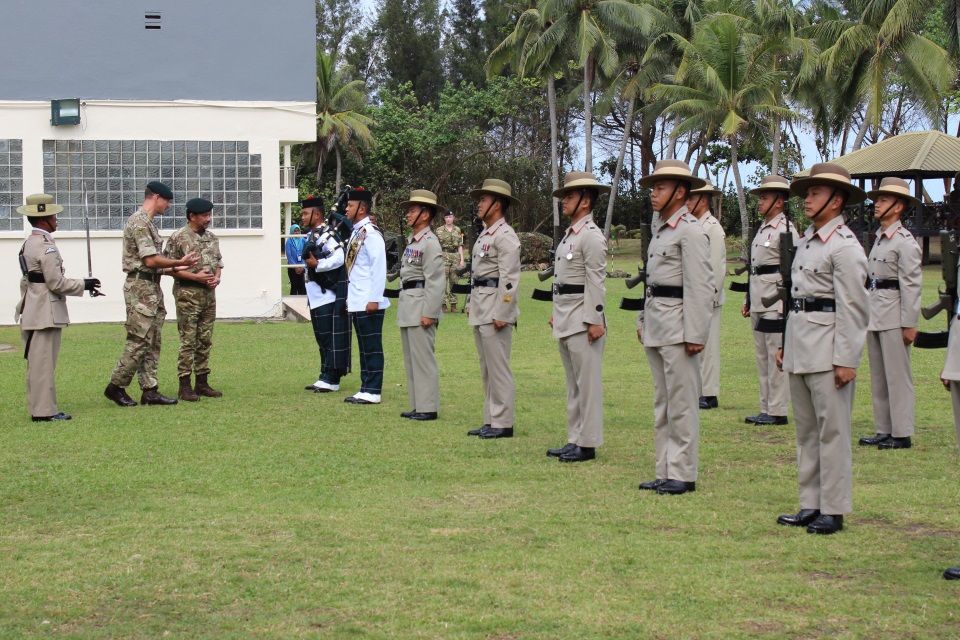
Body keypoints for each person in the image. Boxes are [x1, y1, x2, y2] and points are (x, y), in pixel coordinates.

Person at [776, 163, 869, 535]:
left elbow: (854, 308)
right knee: (807, 432)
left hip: (829, 350)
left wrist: (846, 360)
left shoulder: (845, 247)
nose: (808, 199)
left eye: (815, 193)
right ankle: (810, 502)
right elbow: (795, 299)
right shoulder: (808, 241)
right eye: (808, 193)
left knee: (833, 431)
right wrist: (785, 344)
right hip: (801, 344)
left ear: (837, 199)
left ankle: (834, 508)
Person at [636, 160, 713, 494]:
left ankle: (682, 473)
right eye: (654, 188)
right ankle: (665, 469)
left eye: (661, 187)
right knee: (663, 403)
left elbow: (701, 286)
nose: (654, 193)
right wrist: (643, 319)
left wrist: (696, 334)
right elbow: (652, 282)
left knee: (681, 404)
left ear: (681, 192)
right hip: (658, 323)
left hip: (680, 329)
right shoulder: (662, 230)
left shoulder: (691, 231)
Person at [104, 181, 198, 407]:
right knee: (138, 340)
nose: (167, 206)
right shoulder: (139, 222)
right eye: (166, 201)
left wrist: (175, 268)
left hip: (151, 286)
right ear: (156, 197)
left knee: (152, 341)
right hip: (141, 289)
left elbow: (152, 265)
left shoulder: (148, 223)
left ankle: (150, 389)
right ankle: (116, 386)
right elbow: (150, 260)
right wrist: (178, 261)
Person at [15, 193, 102, 421]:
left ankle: (40, 410)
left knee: (37, 365)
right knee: (43, 365)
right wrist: (85, 284)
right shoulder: (46, 247)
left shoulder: (30, 243)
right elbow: (56, 283)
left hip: (34, 309)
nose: (57, 219)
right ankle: (44, 413)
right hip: (45, 312)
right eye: (54, 215)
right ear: (44, 219)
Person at [546, 172, 609, 463]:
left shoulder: (591, 236)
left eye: (569, 197)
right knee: (574, 384)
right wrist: (556, 311)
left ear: (585, 201)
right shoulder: (572, 234)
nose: (564, 202)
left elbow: (595, 281)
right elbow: (565, 280)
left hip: (584, 320)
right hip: (566, 315)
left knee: (588, 385)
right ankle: (575, 438)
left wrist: (595, 319)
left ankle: (588, 442)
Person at [858, 178, 922, 450]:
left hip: (895, 316)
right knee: (880, 376)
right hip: (876, 313)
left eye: (883, 200)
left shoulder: (904, 242)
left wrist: (909, 323)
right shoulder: (882, 238)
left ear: (898, 207)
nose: (877, 204)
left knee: (897, 375)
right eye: (877, 199)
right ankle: (884, 429)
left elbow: (911, 285)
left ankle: (902, 431)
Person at [464, 179, 522, 439]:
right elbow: (478, 274)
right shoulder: (486, 233)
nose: (479, 204)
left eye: (484, 200)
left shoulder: (505, 235)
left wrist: (503, 312)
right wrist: (469, 302)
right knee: (487, 368)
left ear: (497, 204)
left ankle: (503, 423)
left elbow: (509, 280)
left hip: (494, 309)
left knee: (498, 368)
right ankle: (491, 419)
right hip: (481, 305)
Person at [743, 175, 799, 426]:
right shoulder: (764, 229)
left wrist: (785, 304)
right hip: (759, 298)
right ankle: (766, 407)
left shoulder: (786, 230)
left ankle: (777, 410)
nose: (760, 202)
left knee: (775, 353)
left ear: (779, 201)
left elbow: (791, 270)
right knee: (762, 356)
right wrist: (748, 297)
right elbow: (755, 267)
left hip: (775, 300)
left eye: (765, 197)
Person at [163, 197, 224, 402]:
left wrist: (216, 279)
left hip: (208, 296)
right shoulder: (178, 238)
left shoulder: (212, 238)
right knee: (188, 340)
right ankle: (184, 384)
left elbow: (219, 263)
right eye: (204, 215)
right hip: (187, 296)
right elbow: (168, 268)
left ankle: (202, 382)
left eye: (209, 215)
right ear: (192, 216)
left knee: (205, 339)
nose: (208, 219)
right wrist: (195, 277)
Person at [397, 190, 445, 421]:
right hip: (409, 304)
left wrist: (430, 312)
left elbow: (436, 280)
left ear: (425, 215)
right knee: (411, 359)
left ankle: (428, 408)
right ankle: (418, 404)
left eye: (412, 210)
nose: (408, 214)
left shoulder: (430, 242)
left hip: (421, 307)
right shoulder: (413, 240)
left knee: (424, 360)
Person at [300, 195, 352, 394]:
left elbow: (339, 257)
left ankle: (332, 378)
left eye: (306, 213)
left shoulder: (328, 234)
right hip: (315, 295)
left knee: (330, 338)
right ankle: (325, 374)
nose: (302, 217)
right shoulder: (313, 234)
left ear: (317, 214)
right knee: (322, 337)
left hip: (327, 296)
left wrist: (318, 265)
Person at [343, 188, 389, 404]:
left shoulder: (371, 233)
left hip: (369, 300)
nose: (346, 208)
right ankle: (366, 387)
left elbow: (379, 267)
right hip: (358, 299)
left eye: (350, 205)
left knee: (371, 347)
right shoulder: (357, 232)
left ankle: (373, 390)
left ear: (361, 208)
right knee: (363, 347)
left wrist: (375, 298)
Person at [686, 180, 726, 410]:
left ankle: (709, 393)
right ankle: (698, 389)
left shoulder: (712, 227)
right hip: (693, 296)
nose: (687, 202)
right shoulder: (694, 225)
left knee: (709, 347)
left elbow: (717, 267)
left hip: (707, 298)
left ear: (703, 200)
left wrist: (709, 297)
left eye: (691, 198)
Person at [437, 210, 465, 313]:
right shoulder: (439, 230)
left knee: (454, 280)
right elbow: (436, 246)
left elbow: (460, 246)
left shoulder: (458, 230)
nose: (448, 219)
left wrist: (461, 260)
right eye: (446, 217)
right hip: (443, 255)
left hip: (455, 257)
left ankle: (454, 305)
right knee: (442, 281)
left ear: (454, 217)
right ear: (444, 219)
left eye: (450, 217)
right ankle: (443, 304)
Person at [285, 223, 306, 295]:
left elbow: (306, 253)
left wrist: (302, 266)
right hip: (292, 268)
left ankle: (302, 304)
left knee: (302, 287)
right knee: (294, 286)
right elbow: (289, 255)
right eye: (295, 231)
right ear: (291, 232)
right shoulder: (289, 241)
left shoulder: (303, 240)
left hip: (303, 267)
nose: (297, 232)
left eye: (298, 231)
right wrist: (295, 267)